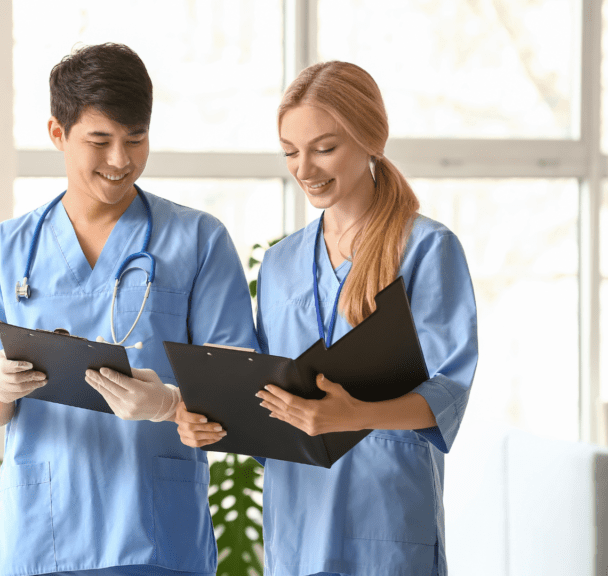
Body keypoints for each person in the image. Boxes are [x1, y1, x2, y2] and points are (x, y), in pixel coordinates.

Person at [0, 43, 257, 576]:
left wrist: (168, 404)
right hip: (40, 538)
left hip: (159, 537)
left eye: (135, 140)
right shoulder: (3, 251)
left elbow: (242, 406)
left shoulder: (198, 242)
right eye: (100, 140)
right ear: (58, 134)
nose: (121, 160)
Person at [177, 61, 479, 576]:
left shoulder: (427, 248)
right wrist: (209, 419)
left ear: (371, 139)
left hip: (387, 516)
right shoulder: (279, 263)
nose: (305, 169)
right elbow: (266, 390)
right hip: (297, 515)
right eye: (291, 152)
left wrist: (353, 415)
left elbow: (448, 391)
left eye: (324, 148)